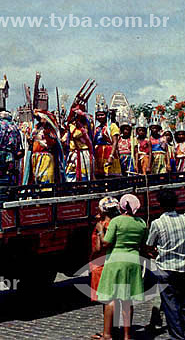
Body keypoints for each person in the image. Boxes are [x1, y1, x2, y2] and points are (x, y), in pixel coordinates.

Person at [145, 189, 185, 340]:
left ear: (160, 205)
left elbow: (150, 245)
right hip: (184, 267)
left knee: (171, 305)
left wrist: (155, 252)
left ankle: (177, 336)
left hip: (166, 267)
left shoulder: (157, 223)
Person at [95, 194, 147, 340]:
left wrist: (100, 230)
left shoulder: (116, 222)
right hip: (133, 261)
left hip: (115, 261)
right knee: (127, 300)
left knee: (110, 298)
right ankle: (127, 335)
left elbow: (106, 243)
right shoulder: (141, 223)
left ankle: (107, 334)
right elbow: (143, 245)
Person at [90, 196, 120, 339]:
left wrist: (99, 231)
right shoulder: (117, 223)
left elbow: (98, 247)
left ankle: (107, 333)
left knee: (107, 300)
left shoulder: (103, 226)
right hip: (113, 262)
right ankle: (111, 329)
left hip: (101, 264)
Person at [63, 111, 93, 182]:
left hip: (84, 152)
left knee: (84, 173)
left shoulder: (87, 126)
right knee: (70, 172)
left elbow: (77, 134)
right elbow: (70, 136)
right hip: (73, 153)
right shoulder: (71, 127)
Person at [93, 102, 121, 179]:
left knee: (110, 176)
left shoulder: (112, 126)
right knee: (99, 177)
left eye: (102, 115)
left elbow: (115, 142)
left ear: (106, 115)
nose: (100, 117)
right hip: (98, 154)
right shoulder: (97, 129)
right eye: (98, 115)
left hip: (108, 152)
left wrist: (111, 156)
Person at [31, 113, 58, 184]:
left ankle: (47, 192)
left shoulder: (50, 130)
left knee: (45, 177)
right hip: (36, 156)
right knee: (36, 177)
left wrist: (46, 133)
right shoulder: (36, 128)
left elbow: (52, 142)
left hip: (45, 157)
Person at [116, 111, 135, 176]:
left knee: (130, 174)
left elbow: (135, 151)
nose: (126, 131)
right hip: (120, 159)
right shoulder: (118, 139)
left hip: (130, 159)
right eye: (124, 129)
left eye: (127, 129)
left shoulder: (132, 139)